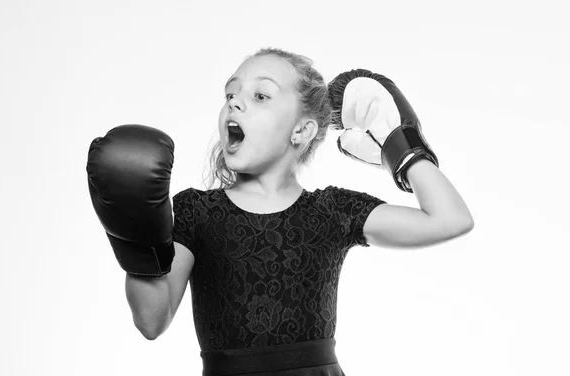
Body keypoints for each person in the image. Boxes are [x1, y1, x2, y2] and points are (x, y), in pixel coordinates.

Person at [87, 47, 474, 376]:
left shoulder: (331, 211)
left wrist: (400, 145)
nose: (235, 102)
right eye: (230, 95)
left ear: (302, 131)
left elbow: (450, 219)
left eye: (261, 96)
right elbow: (151, 321)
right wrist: (135, 235)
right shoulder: (196, 212)